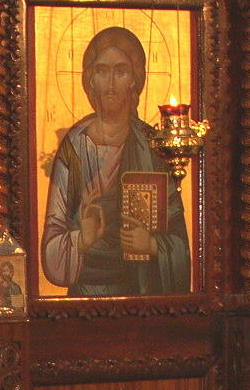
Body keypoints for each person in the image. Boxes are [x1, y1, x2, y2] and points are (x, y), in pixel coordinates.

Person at [40, 26, 189, 296]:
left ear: (135, 79)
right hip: (82, 301)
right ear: (90, 80)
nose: (110, 84)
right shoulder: (74, 148)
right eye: (101, 71)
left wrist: (151, 245)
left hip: (141, 297)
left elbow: (180, 244)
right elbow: (52, 242)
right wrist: (81, 240)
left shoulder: (153, 146)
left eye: (120, 71)